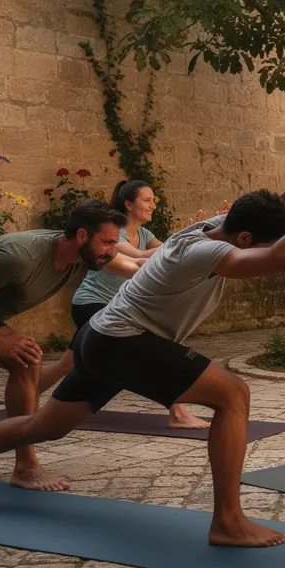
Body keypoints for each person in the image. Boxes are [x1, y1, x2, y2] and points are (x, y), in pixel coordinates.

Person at [0, 120, 285, 549]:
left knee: (44, 425)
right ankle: (228, 522)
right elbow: (283, 257)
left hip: (101, 336)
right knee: (233, 395)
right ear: (243, 239)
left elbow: (275, 210)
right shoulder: (208, 251)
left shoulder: (208, 229)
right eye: (254, 242)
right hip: (121, 340)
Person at [0, 201, 142, 492]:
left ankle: (8, 455)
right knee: (26, 360)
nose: (112, 250)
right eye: (109, 242)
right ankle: (25, 466)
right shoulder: (22, 256)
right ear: (83, 236)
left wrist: (198, 254)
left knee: (26, 361)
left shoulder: (87, 256)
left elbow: (137, 266)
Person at [42, 179, 208, 429]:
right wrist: (187, 238)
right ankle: (179, 413)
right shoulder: (112, 234)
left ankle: (24, 397)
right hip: (94, 304)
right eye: (147, 200)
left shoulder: (144, 234)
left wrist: (197, 235)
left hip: (117, 309)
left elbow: (172, 258)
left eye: (154, 200)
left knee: (67, 365)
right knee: (155, 351)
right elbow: (141, 260)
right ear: (128, 204)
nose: (153, 205)